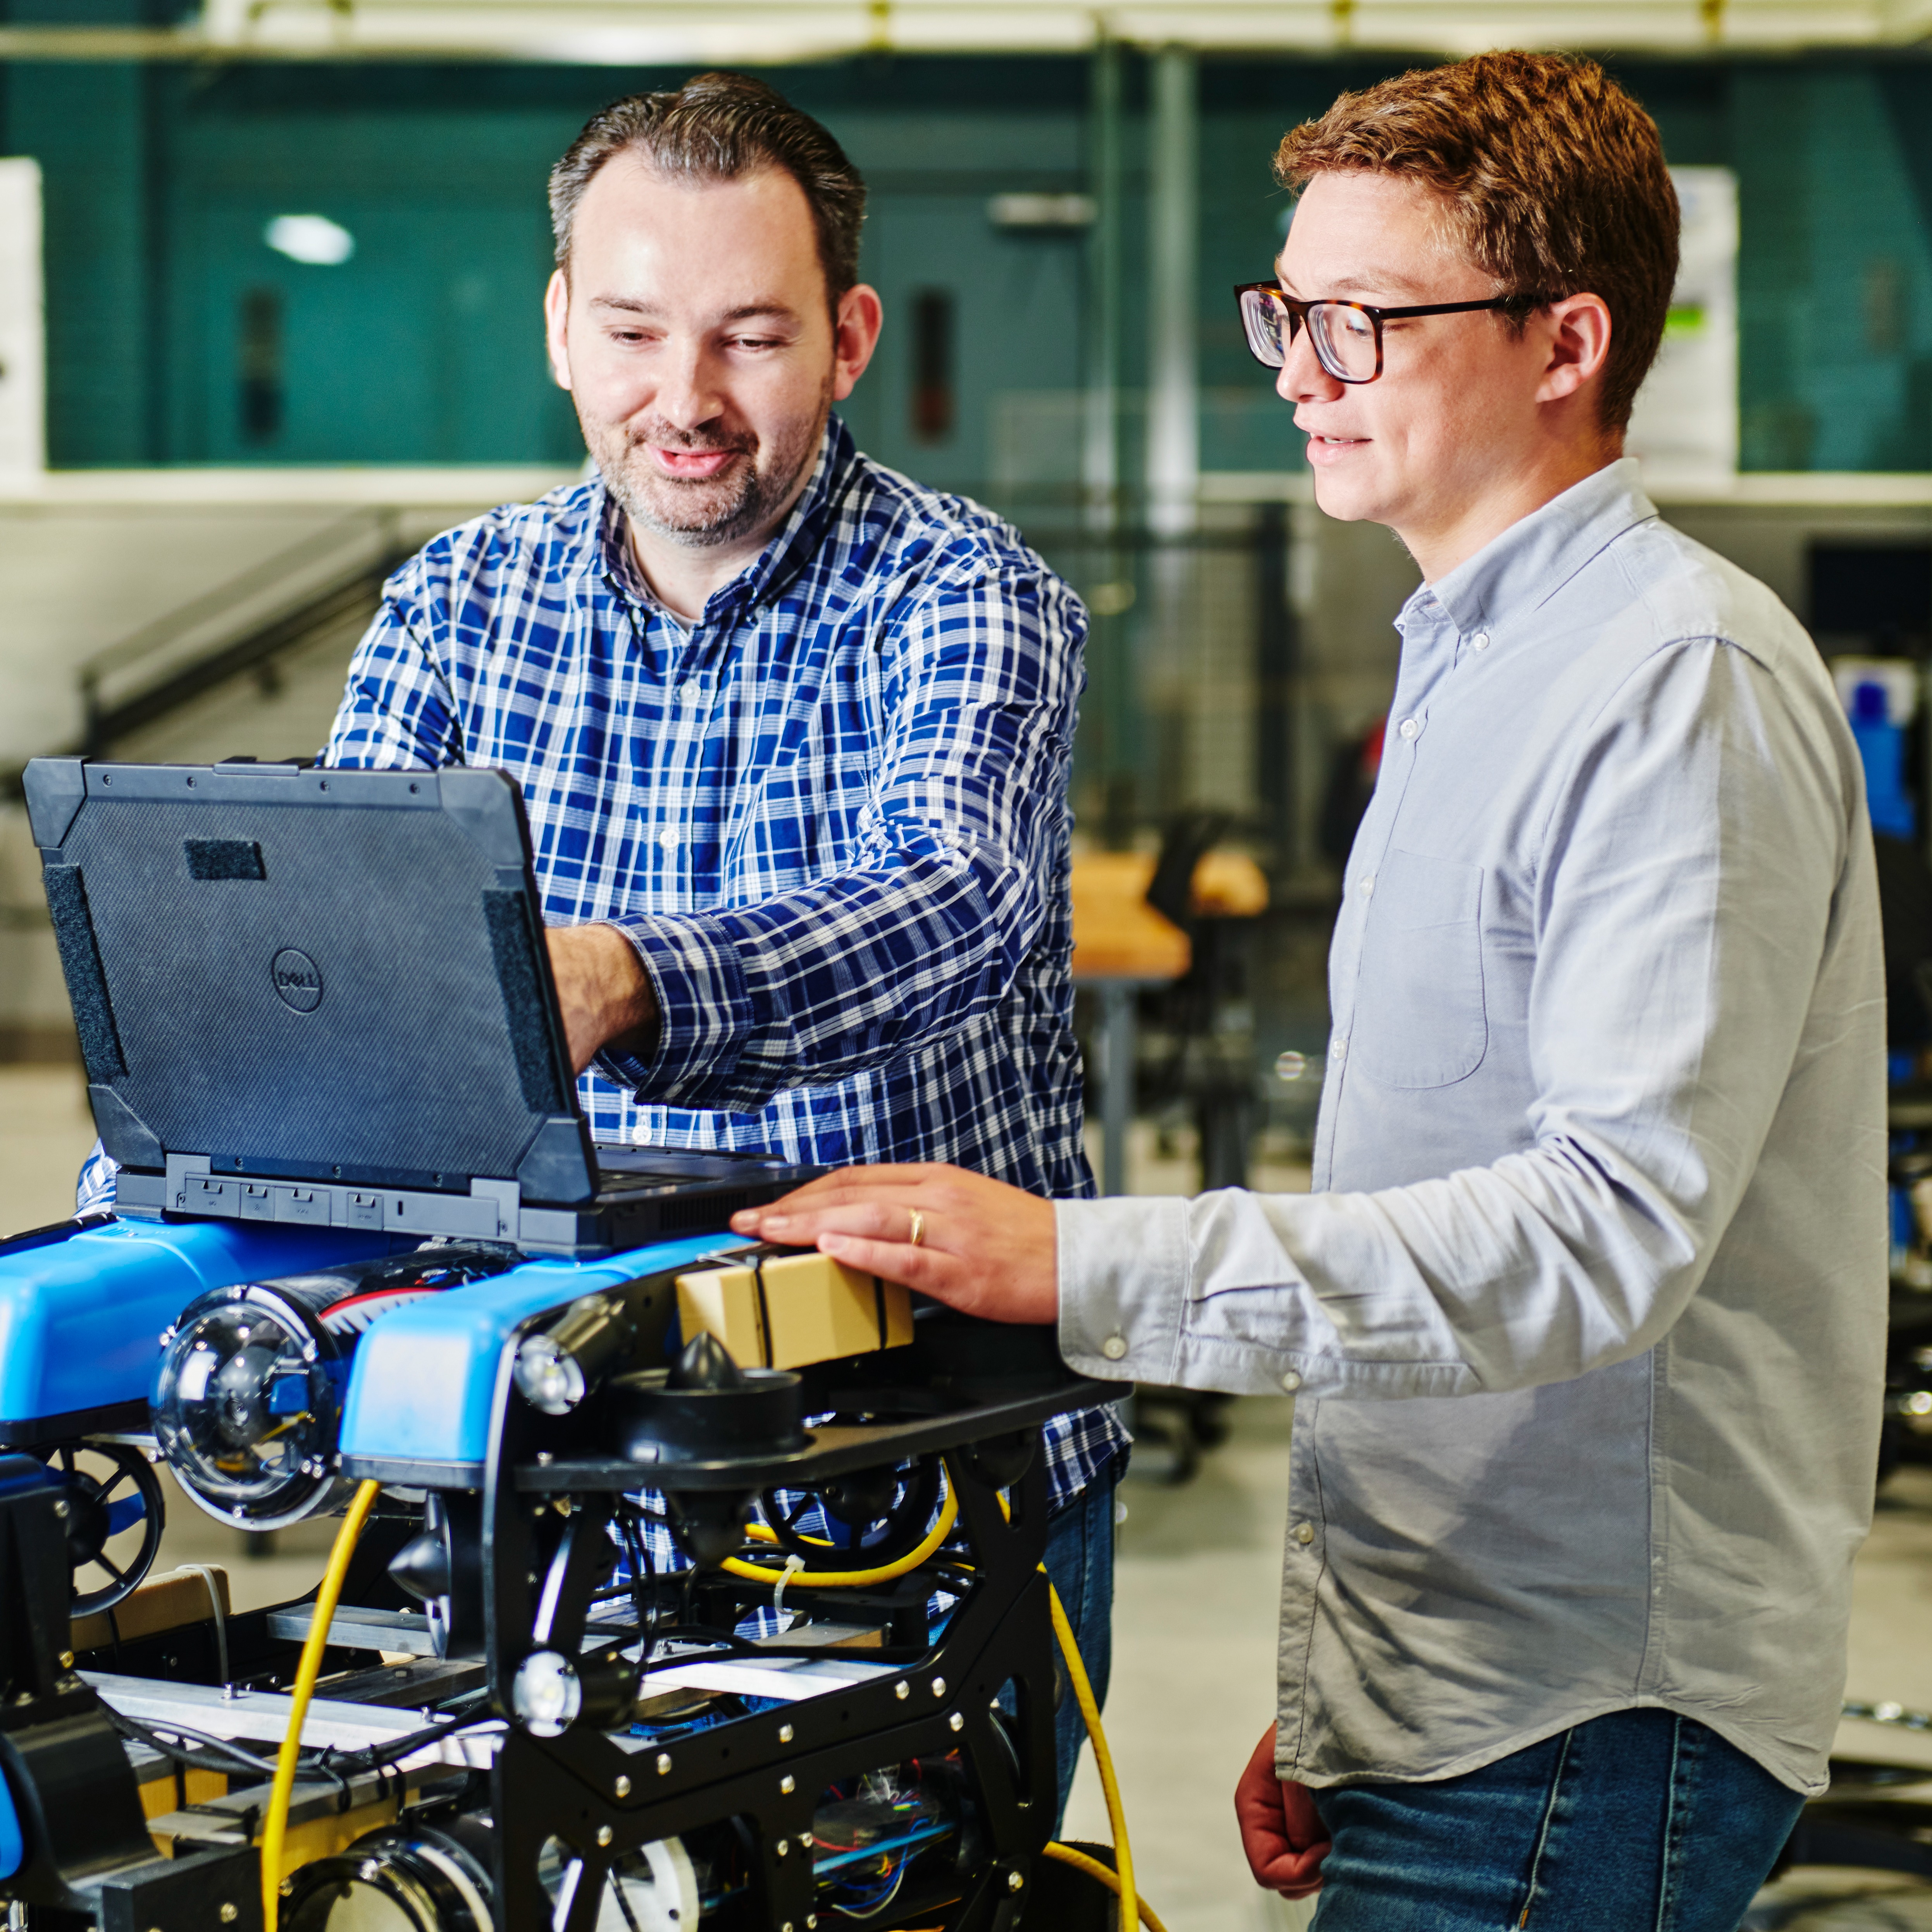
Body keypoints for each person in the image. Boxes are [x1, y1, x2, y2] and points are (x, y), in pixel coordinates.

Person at [728, 50, 1887, 1930]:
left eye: (1354, 324)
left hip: (1592, 1704)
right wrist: (1351, 1687)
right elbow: (1424, 1196)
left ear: (1563, 340)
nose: (1292, 371)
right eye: (1285, 312)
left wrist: (1082, 1265)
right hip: (1465, 1694)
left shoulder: (1669, 680)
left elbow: (1598, 1237)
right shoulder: (1470, 655)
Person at [75, 72, 1123, 1812]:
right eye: (632, 330)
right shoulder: (457, 604)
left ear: (849, 337)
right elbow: (344, 979)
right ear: (563, 327)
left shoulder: (962, 592)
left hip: (900, 1475)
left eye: (751, 337)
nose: (685, 400)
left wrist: (628, 975)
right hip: (538, 1473)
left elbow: (957, 895)